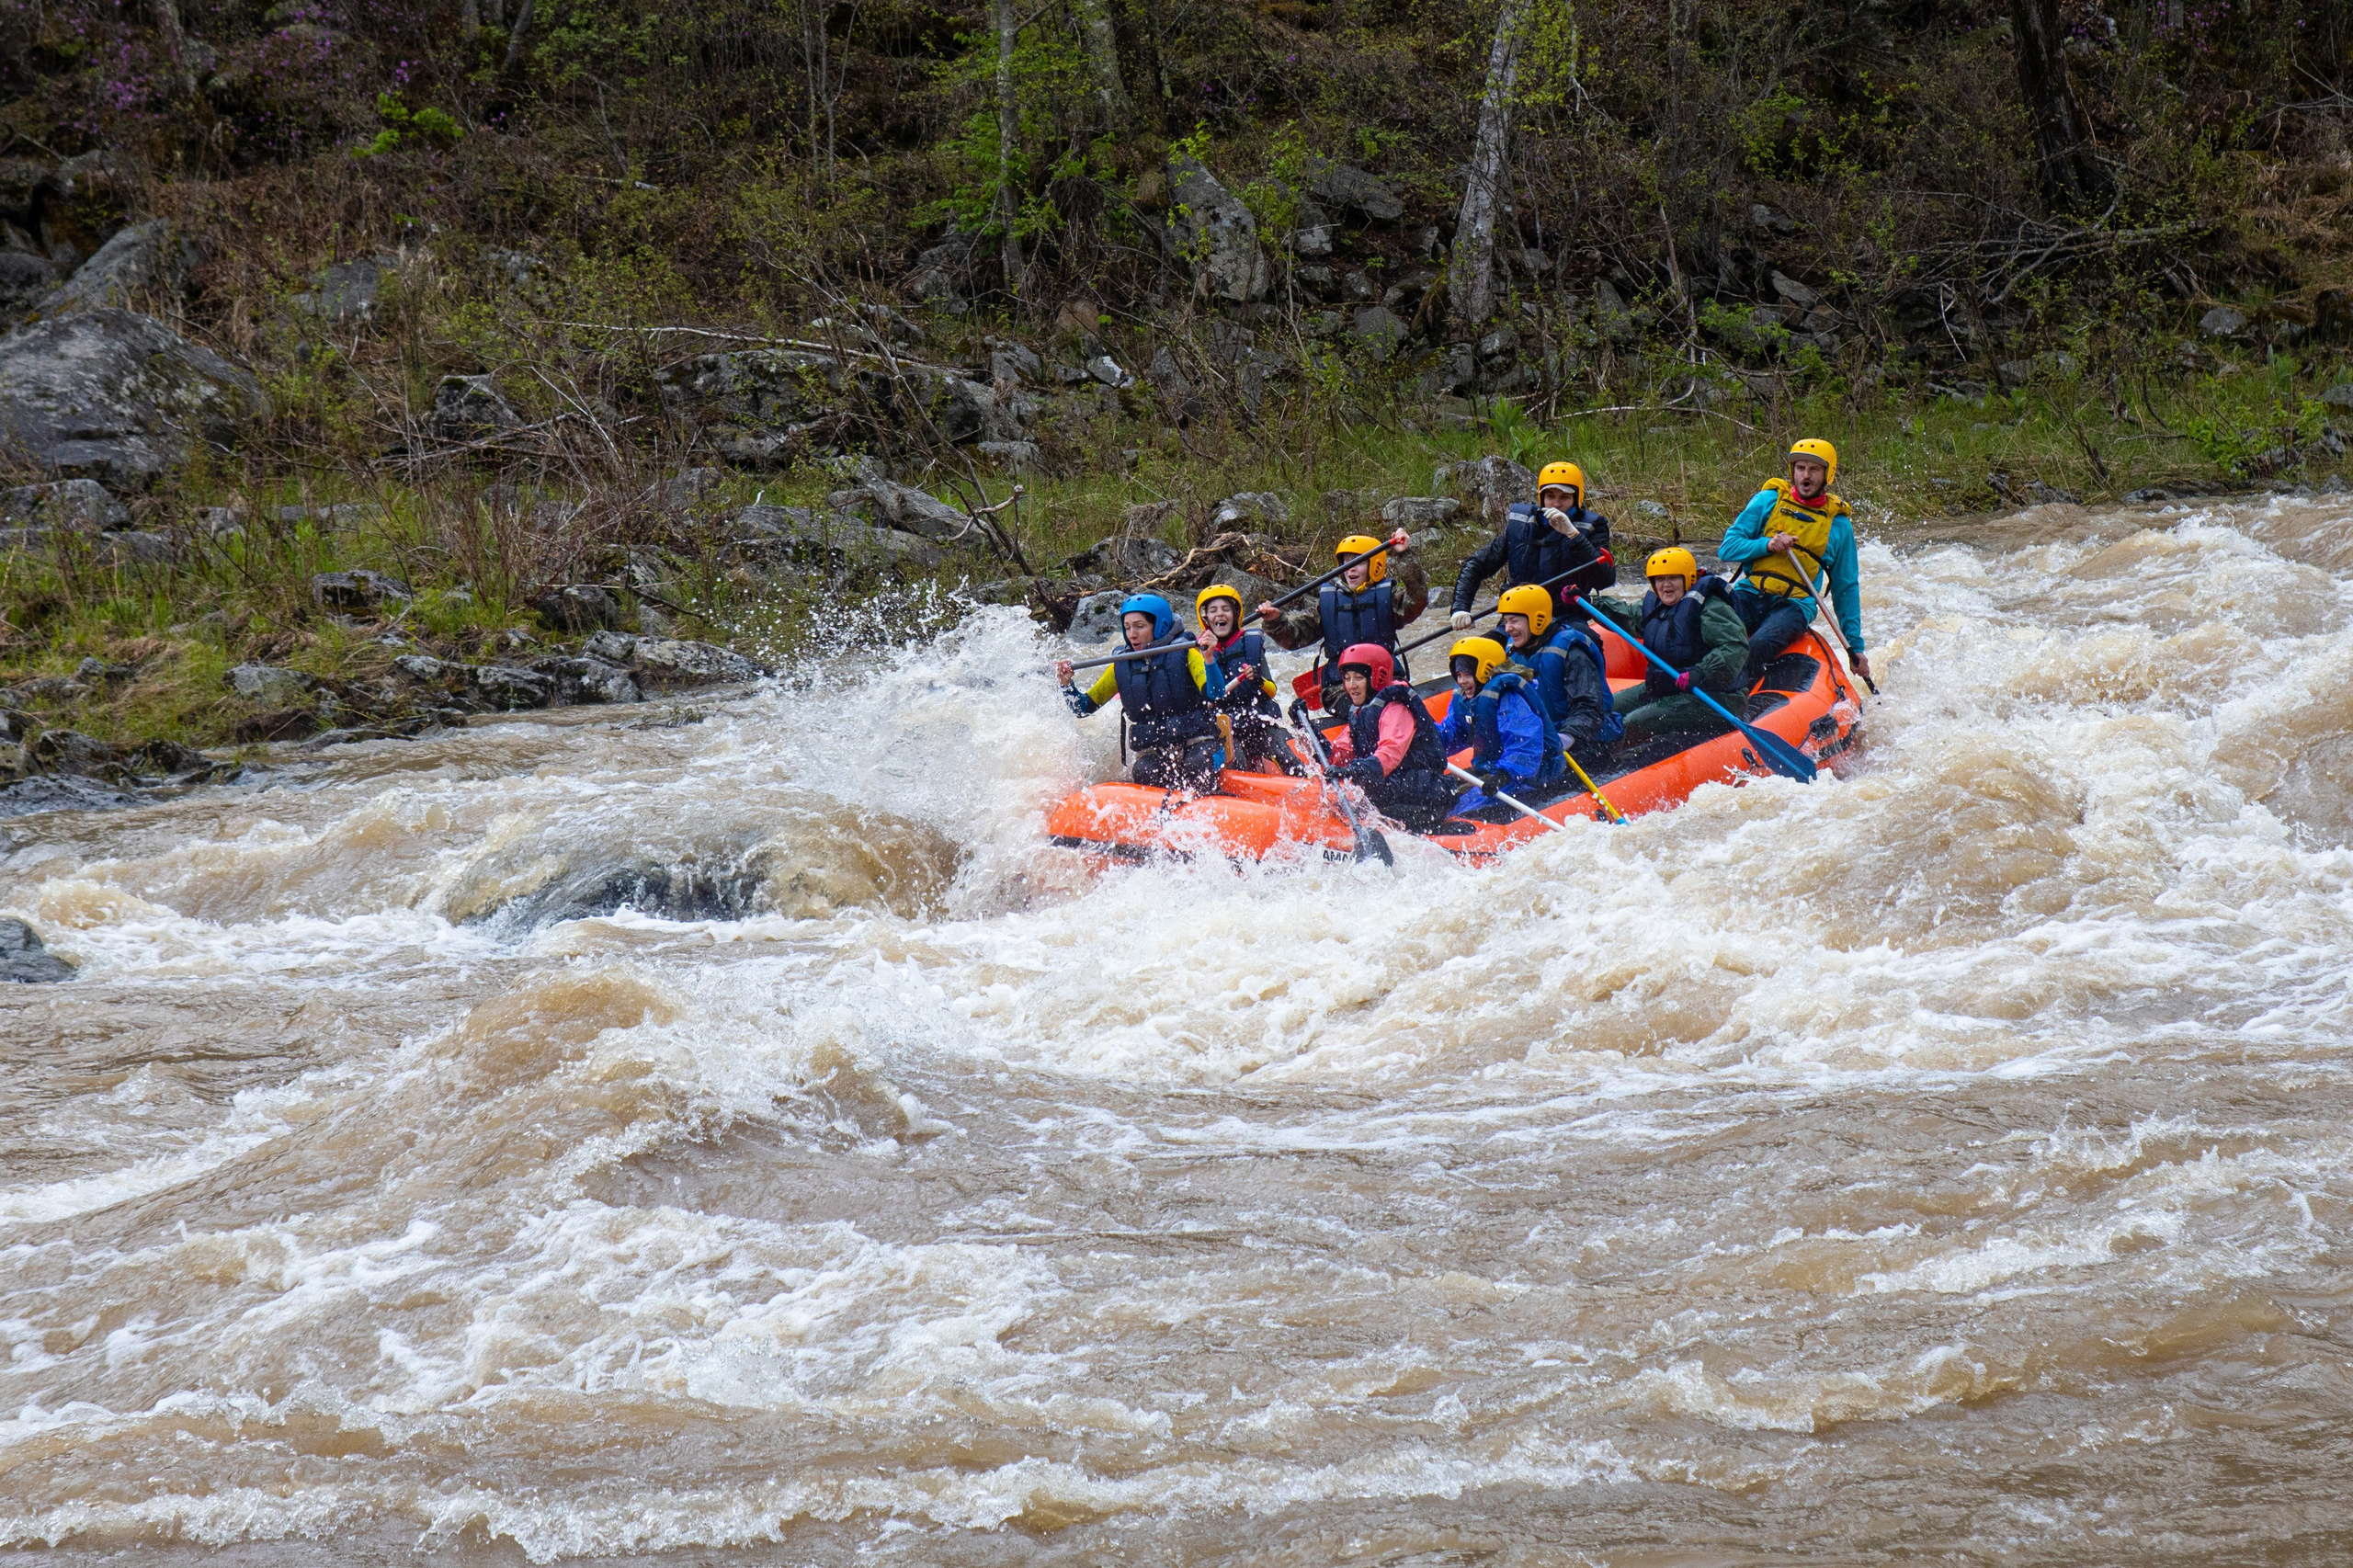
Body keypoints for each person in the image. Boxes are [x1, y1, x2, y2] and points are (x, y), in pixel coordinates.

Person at [1717, 437, 1872, 687]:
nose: (1805, 476)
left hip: (1794, 605)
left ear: (1827, 475)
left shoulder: (1839, 525)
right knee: (1709, 621)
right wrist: (1766, 545)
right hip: (1750, 593)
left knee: (1759, 644)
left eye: (1814, 469)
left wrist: (1855, 646)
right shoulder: (1768, 501)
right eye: (1800, 468)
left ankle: (1735, 695)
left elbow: (1846, 587)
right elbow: (1727, 548)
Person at [1055, 593, 1225, 790]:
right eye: (1127, 627)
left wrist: (1210, 659)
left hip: (1199, 744)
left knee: (1196, 763)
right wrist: (1067, 685)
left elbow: (1217, 694)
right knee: (1144, 770)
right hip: (1156, 751)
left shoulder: (1186, 652)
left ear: (1159, 626)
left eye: (1140, 626)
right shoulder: (1122, 665)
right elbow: (1083, 708)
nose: (1132, 634)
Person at [1258, 528, 1427, 722]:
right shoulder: (1329, 602)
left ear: (1375, 565)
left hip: (1384, 679)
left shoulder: (1388, 598)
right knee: (1365, 713)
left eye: (1359, 561)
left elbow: (1417, 599)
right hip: (1342, 687)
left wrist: (1404, 554)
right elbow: (1295, 636)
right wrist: (1275, 621)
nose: (1351, 568)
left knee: (1398, 707)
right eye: (1347, 562)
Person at [1586, 547, 1748, 746]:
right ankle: (1585, 755)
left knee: (1634, 722)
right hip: (1666, 688)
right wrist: (1592, 603)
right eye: (1660, 579)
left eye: (1673, 578)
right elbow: (1626, 615)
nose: (1665, 585)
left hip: (1713, 695)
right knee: (1601, 708)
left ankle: (1614, 767)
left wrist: (1700, 672)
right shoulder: (1656, 606)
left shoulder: (1711, 608)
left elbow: (1734, 647)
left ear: (1687, 579)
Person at [1449, 460, 1616, 630]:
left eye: (1564, 497)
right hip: (1518, 617)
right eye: (1550, 496)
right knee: (1471, 655)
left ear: (1576, 498)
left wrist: (1573, 534)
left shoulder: (1593, 528)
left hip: (1567, 618)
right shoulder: (1520, 525)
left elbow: (1606, 579)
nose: (1556, 504)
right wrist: (1460, 608)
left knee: (1583, 647)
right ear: (1541, 498)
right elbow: (1477, 565)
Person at [1324, 642, 1455, 831]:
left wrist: (1355, 770)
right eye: (1347, 678)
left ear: (1377, 677)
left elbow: (1389, 755)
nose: (1351, 686)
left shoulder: (1396, 707)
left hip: (1422, 796)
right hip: (1395, 790)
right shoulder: (1361, 711)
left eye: (1358, 678)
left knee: (1371, 813)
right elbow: (1341, 755)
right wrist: (1312, 736)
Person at [1489, 583, 1620, 771]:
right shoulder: (1512, 651)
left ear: (1537, 618)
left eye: (1514, 621)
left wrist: (1566, 737)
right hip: (1544, 740)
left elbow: (1589, 708)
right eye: (1505, 621)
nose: (1508, 628)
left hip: (1585, 739)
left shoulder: (1572, 652)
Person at [1434, 635, 1563, 818]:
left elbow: (1524, 744)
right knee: (1442, 795)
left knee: (1461, 809)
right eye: (1459, 675)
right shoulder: (1466, 699)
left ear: (1484, 670)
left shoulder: (1508, 697)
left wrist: (1502, 776)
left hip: (1527, 775)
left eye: (1467, 675)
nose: (1462, 681)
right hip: (1492, 768)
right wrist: (1425, 735)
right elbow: (1452, 732)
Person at [1194, 583, 1297, 774]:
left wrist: (1257, 679)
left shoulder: (1250, 644)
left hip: (1256, 720)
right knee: (1236, 760)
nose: (1220, 615)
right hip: (1224, 727)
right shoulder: (1197, 653)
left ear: (1236, 614)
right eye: (1213, 610)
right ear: (1205, 617)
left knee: (1287, 757)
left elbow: (1272, 690)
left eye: (1226, 609)